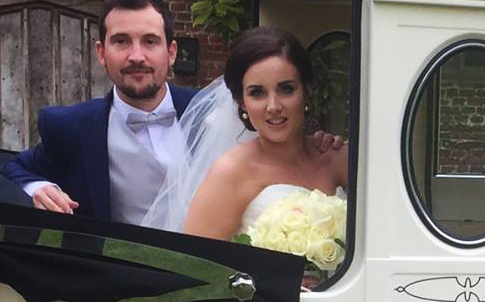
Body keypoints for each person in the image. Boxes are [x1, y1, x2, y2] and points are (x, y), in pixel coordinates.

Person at [2, 0, 200, 224]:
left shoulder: (210, 112)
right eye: (121, 41)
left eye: (149, 41)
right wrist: (37, 188)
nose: (136, 56)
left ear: (171, 52)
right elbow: (10, 170)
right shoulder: (70, 127)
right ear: (101, 52)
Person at [146, 26, 349, 241]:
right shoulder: (230, 172)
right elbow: (196, 266)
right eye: (257, 93)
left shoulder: (336, 157)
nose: (273, 106)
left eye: (286, 89)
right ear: (242, 102)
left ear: (307, 91)